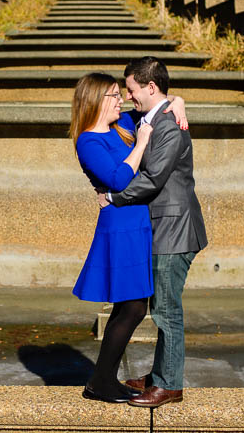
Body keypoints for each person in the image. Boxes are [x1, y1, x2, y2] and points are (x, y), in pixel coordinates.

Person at [70, 72, 186, 404]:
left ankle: (102, 379)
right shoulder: (88, 141)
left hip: (137, 224)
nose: (121, 100)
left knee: (131, 305)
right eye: (113, 95)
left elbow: (160, 104)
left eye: (121, 94)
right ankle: (101, 380)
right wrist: (144, 143)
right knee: (133, 307)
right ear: (95, 100)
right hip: (119, 226)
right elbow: (120, 179)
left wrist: (180, 102)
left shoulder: (123, 124)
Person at [98, 56, 208, 408]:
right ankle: (161, 373)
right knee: (161, 305)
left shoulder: (168, 126)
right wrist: (177, 99)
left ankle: (169, 386)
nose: (128, 96)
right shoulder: (157, 116)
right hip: (164, 229)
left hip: (174, 230)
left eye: (131, 89)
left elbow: (153, 178)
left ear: (149, 87)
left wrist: (113, 197)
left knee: (166, 311)